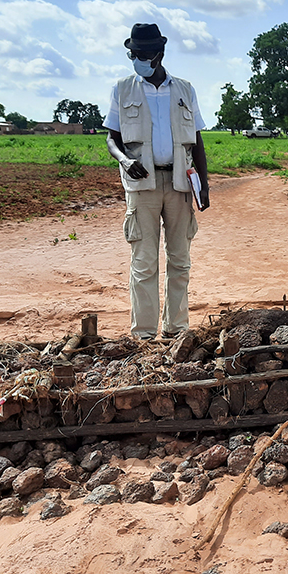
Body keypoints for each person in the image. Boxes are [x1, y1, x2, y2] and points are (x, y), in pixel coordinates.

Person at [104, 23, 210, 340]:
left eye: (143, 53)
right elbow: (111, 138)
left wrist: (203, 185)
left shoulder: (184, 90)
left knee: (180, 261)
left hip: (179, 183)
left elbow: (198, 140)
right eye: (133, 53)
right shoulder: (123, 88)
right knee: (144, 262)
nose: (137, 58)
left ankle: (176, 329)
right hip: (142, 185)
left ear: (159, 53)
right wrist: (125, 159)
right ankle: (145, 334)